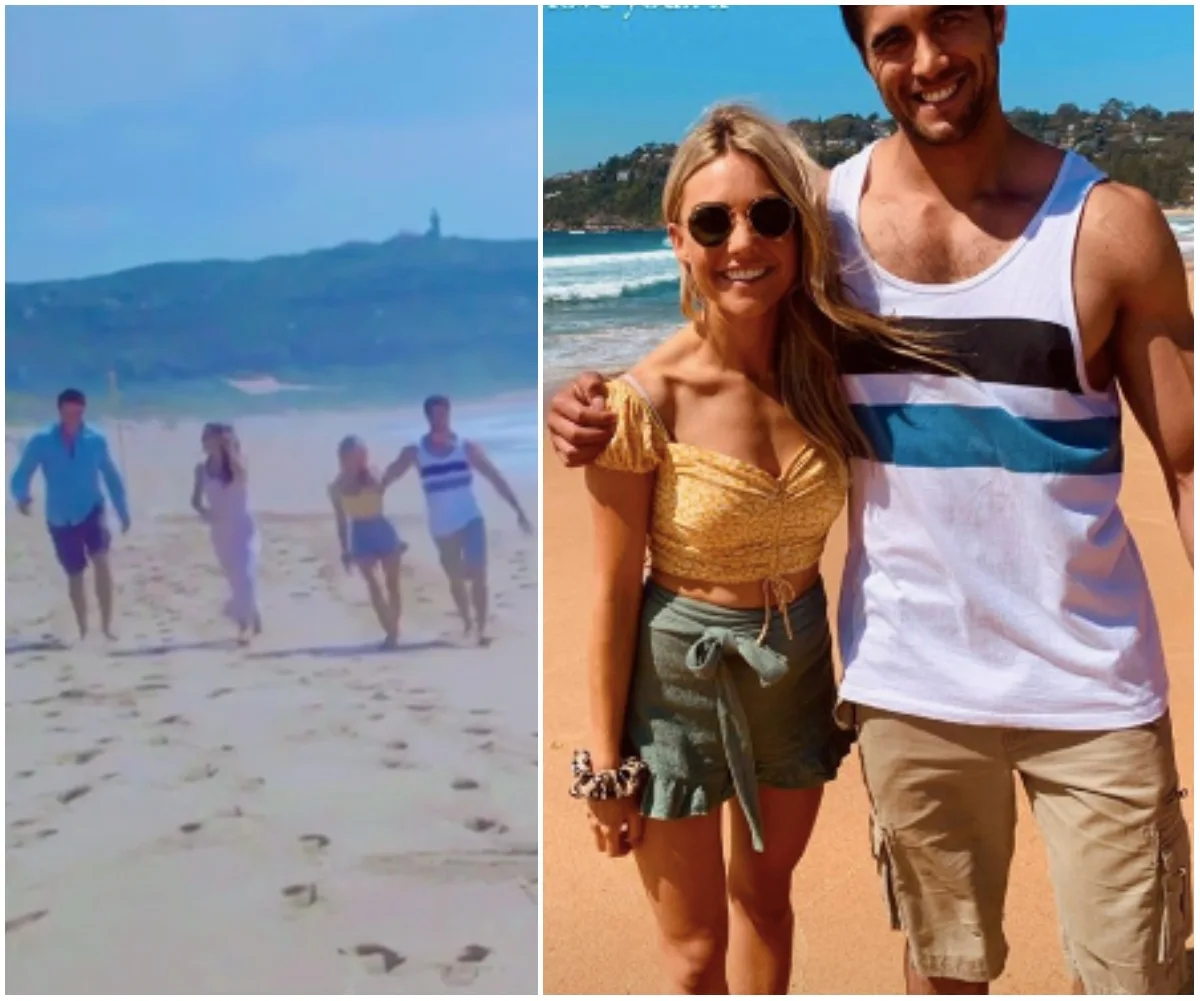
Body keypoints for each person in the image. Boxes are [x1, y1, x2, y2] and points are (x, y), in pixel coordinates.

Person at [547, 6, 1193, 996]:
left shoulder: (1099, 228)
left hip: (1082, 685)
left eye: (948, 21)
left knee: (1136, 976)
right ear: (864, 56)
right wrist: (588, 396)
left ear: (997, 19)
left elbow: (1187, 462)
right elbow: (722, 319)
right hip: (903, 688)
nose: (926, 60)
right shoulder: (828, 226)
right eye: (892, 37)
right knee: (935, 974)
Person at [566, 105, 946, 995]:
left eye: (769, 215)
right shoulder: (641, 402)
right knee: (696, 952)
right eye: (713, 222)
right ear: (677, 240)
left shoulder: (833, 369)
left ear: (798, 230)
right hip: (674, 688)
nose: (743, 242)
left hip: (797, 664)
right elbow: (612, 594)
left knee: (768, 902)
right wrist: (604, 767)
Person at [383, 395, 531, 646]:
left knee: (479, 574)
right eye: (436, 415)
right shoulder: (415, 452)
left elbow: (493, 476)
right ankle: (467, 622)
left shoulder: (466, 447)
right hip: (441, 526)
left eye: (444, 414)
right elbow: (391, 474)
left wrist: (517, 509)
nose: (441, 419)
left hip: (471, 518)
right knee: (455, 579)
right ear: (428, 417)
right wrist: (371, 495)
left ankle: (481, 630)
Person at [10, 388, 131, 640]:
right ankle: (83, 628)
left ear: (83, 410)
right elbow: (22, 473)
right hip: (59, 516)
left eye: (78, 411)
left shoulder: (95, 439)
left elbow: (111, 476)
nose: (73, 416)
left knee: (101, 561)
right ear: (60, 411)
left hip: (92, 509)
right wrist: (22, 496)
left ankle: (106, 626)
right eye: (69, 411)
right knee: (75, 573)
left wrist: (122, 510)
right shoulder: (41, 440)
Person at [329, 435, 405, 648]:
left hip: (382, 528)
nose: (356, 460)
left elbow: (384, 481)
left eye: (359, 455)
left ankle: (394, 631)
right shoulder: (336, 487)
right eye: (350, 456)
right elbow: (341, 522)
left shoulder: (373, 474)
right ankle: (390, 631)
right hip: (360, 533)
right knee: (373, 584)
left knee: (393, 583)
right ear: (343, 457)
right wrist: (345, 550)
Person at [190, 422, 261, 645]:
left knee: (245, 573)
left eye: (209, 437)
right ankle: (253, 614)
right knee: (235, 579)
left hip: (243, 527)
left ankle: (244, 626)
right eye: (204, 438)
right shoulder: (201, 469)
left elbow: (242, 475)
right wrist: (205, 513)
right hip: (220, 532)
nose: (205, 441)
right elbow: (195, 501)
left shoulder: (239, 463)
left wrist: (229, 449)